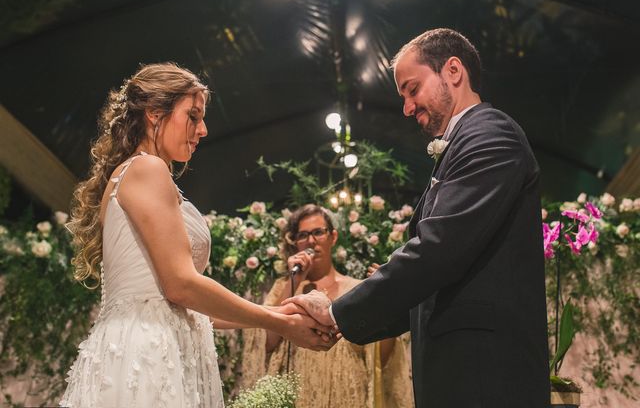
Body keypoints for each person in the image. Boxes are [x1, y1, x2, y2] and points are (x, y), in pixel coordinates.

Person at [284, 29, 550, 407]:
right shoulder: (464, 144)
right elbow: (429, 286)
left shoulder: (491, 135)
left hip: (487, 373)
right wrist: (345, 319)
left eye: (412, 89)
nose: (407, 107)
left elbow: (438, 250)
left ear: (453, 71)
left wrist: (337, 311)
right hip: (460, 374)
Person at [60, 63, 334, 408]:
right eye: (193, 116)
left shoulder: (137, 174)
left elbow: (181, 303)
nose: (203, 130)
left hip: (156, 345)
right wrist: (279, 322)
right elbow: (181, 285)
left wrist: (278, 313)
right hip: (148, 354)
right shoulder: (147, 169)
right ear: (154, 114)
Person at [241, 204, 413, 408]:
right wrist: (294, 280)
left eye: (318, 232)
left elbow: (380, 360)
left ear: (333, 236)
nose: (311, 241)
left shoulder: (358, 289)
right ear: (295, 243)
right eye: (302, 235)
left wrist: (383, 300)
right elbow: (266, 343)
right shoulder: (284, 287)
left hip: (347, 394)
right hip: (297, 395)